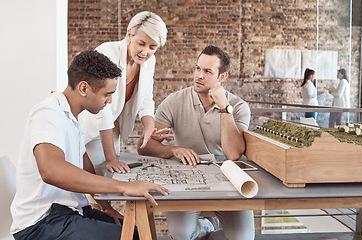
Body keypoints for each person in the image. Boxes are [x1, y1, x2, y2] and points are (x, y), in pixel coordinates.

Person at [10, 50, 170, 240]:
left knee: (137, 233)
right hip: (40, 223)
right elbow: (51, 171)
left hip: (69, 211)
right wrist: (122, 187)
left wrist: (105, 206)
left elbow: (84, 165)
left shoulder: (73, 116)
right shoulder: (48, 113)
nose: (110, 101)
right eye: (107, 94)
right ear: (84, 88)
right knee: (133, 238)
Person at [137, 46, 254, 240]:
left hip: (226, 181)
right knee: (182, 235)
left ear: (222, 76)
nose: (199, 76)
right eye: (197, 68)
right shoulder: (174, 101)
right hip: (187, 178)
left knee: (243, 238)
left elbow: (233, 154)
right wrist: (173, 149)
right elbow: (144, 146)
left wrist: (225, 109)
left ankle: (206, 231)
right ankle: (205, 227)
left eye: (207, 71)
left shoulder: (239, 107)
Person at [82, 11, 171, 174]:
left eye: (153, 47)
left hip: (112, 128)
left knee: (107, 182)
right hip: (90, 125)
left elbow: (146, 99)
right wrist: (111, 159)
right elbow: (103, 109)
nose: (145, 52)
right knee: (91, 182)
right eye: (141, 43)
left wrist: (149, 127)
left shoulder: (149, 61)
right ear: (129, 34)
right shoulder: (106, 53)